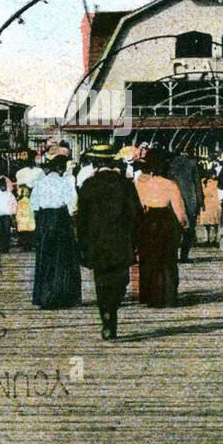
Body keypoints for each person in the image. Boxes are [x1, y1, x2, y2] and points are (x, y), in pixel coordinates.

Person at [76, 143, 141, 341]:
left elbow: (81, 219)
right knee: (121, 280)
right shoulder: (126, 184)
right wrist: (136, 240)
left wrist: (82, 244)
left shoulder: (88, 185)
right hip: (121, 240)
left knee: (101, 281)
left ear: (95, 163)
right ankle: (112, 308)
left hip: (97, 242)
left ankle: (106, 316)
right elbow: (136, 214)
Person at [135, 149, 188, 307]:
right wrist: (185, 227)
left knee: (148, 259)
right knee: (167, 260)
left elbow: (137, 204)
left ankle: (150, 296)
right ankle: (168, 296)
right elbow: (179, 211)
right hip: (165, 221)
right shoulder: (170, 184)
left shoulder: (140, 183)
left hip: (146, 220)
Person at [29, 153, 81, 309]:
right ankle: (62, 295)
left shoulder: (40, 183)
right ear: (60, 168)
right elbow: (72, 205)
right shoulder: (65, 182)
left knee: (45, 258)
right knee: (63, 259)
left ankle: (43, 296)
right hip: (60, 219)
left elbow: (34, 205)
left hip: (44, 220)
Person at [168, 149, 204, 263]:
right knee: (189, 229)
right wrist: (200, 200)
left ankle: (173, 256)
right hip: (190, 199)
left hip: (174, 199)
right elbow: (197, 184)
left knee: (174, 229)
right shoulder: (192, 163)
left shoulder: (171, 163)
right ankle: (184, 256)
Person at [14, 152, 41, 250]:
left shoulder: (39, 171)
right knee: (27, 220)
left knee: (31, 220)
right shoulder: (22, 172)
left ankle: (30, 242)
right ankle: (28, 242)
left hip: (31, 198)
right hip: (27, 199)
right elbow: (19, 186)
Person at [0, 177, 17, 253]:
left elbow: (14, 204)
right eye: (1, 185)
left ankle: (5, 247)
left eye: (4, 185)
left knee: (6, 231)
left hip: (7, 215)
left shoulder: (9, 194)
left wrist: (13, 213)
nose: (3, 187)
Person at [199, 167, 222, 243]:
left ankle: (215, 238)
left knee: (215, 222)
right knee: (207, 222)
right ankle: (207, 238)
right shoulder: (203, 182)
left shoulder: (216, 182)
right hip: (207, 202)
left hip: (214, 202)